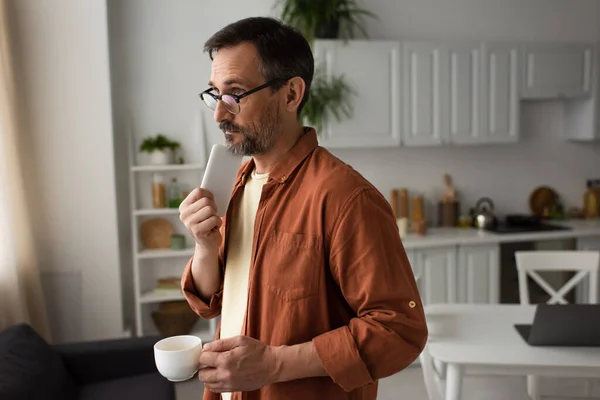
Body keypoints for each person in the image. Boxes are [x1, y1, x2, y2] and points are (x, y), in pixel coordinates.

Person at [179, 16, 428, 400]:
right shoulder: (238, 183)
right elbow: (212, 303)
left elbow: (399, 331)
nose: (219, 114)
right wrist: (204, 245)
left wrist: (274, 364)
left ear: (292, 94)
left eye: (235, 95)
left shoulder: (347, 198)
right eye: (215, 94)